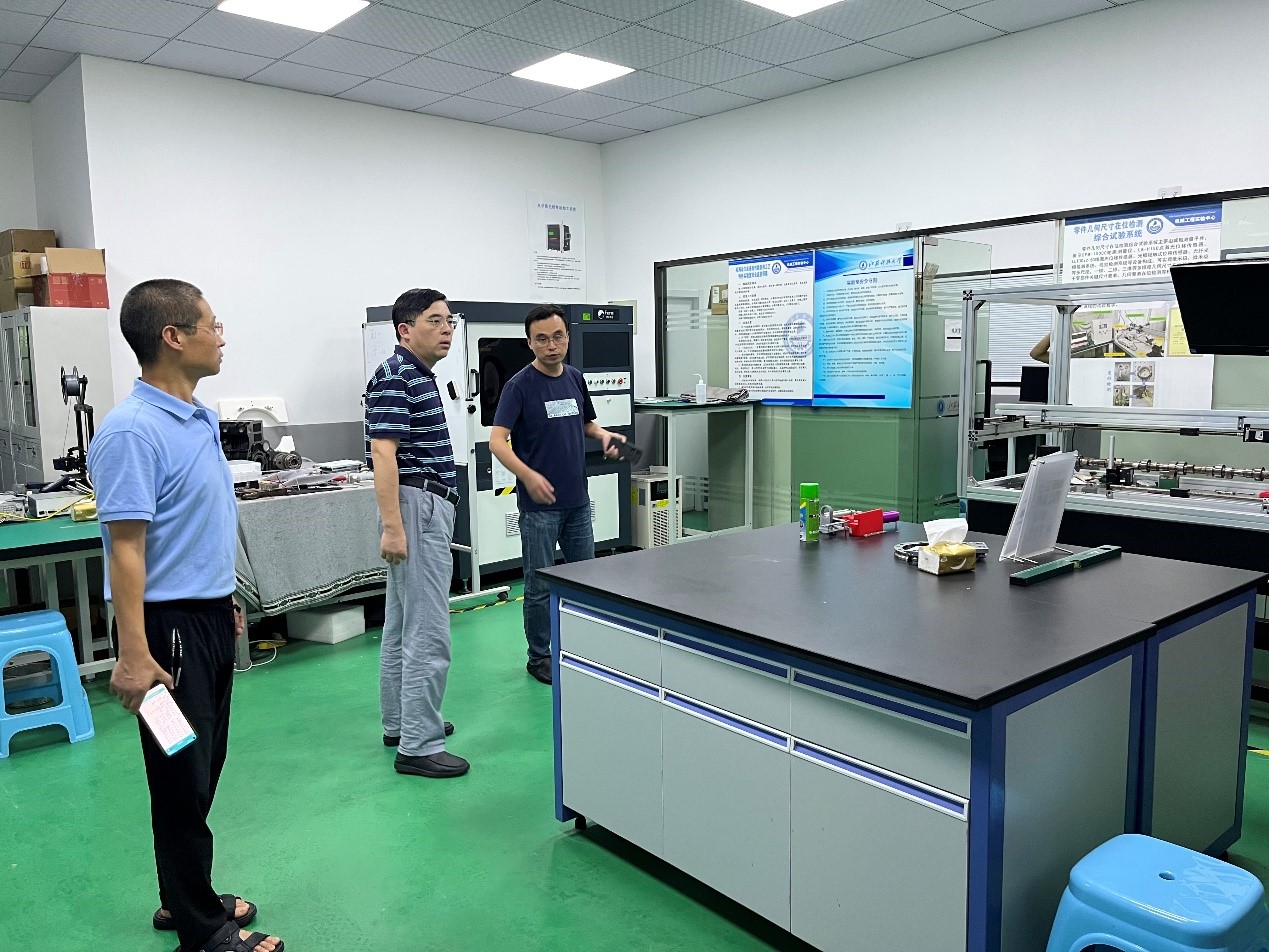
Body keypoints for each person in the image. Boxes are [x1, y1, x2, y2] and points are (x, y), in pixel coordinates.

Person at [88, 280, 283, 952]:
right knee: (179, 773)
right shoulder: (132, 432)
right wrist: (133, 653)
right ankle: (202, 928)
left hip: (205, 620)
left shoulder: (194, 418)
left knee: (202, 766)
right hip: (165, 636)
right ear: (173, 336)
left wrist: (224, 596)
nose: (221, 336)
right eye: (212, 325)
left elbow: (196, 525)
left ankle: (184, 892)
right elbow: (125, 550)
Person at [490, 304, 624, 685]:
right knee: (539, 585)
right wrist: (527, 475)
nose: (552, 345)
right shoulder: (518, 387)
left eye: (558, 336)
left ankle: (582, 648)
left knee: (585, 578)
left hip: (577, 501)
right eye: (542, 339)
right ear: (529, 342)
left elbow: (586, 423)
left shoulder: (575, 378)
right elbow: (497, 441)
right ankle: (539, 657)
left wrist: (603, 435)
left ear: (567, 337)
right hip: (539, 508)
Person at [365, 288, 467, 778]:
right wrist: (393, 526)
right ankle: (420, 745)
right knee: (427, 628)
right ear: (405, 330)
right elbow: (382, 453)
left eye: (450, 321)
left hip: (420, 504)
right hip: (419, 505)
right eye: (435, 320)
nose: (446, 329)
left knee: (403, 623)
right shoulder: (398, 375)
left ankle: (401, 724)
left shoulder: (415, 375)